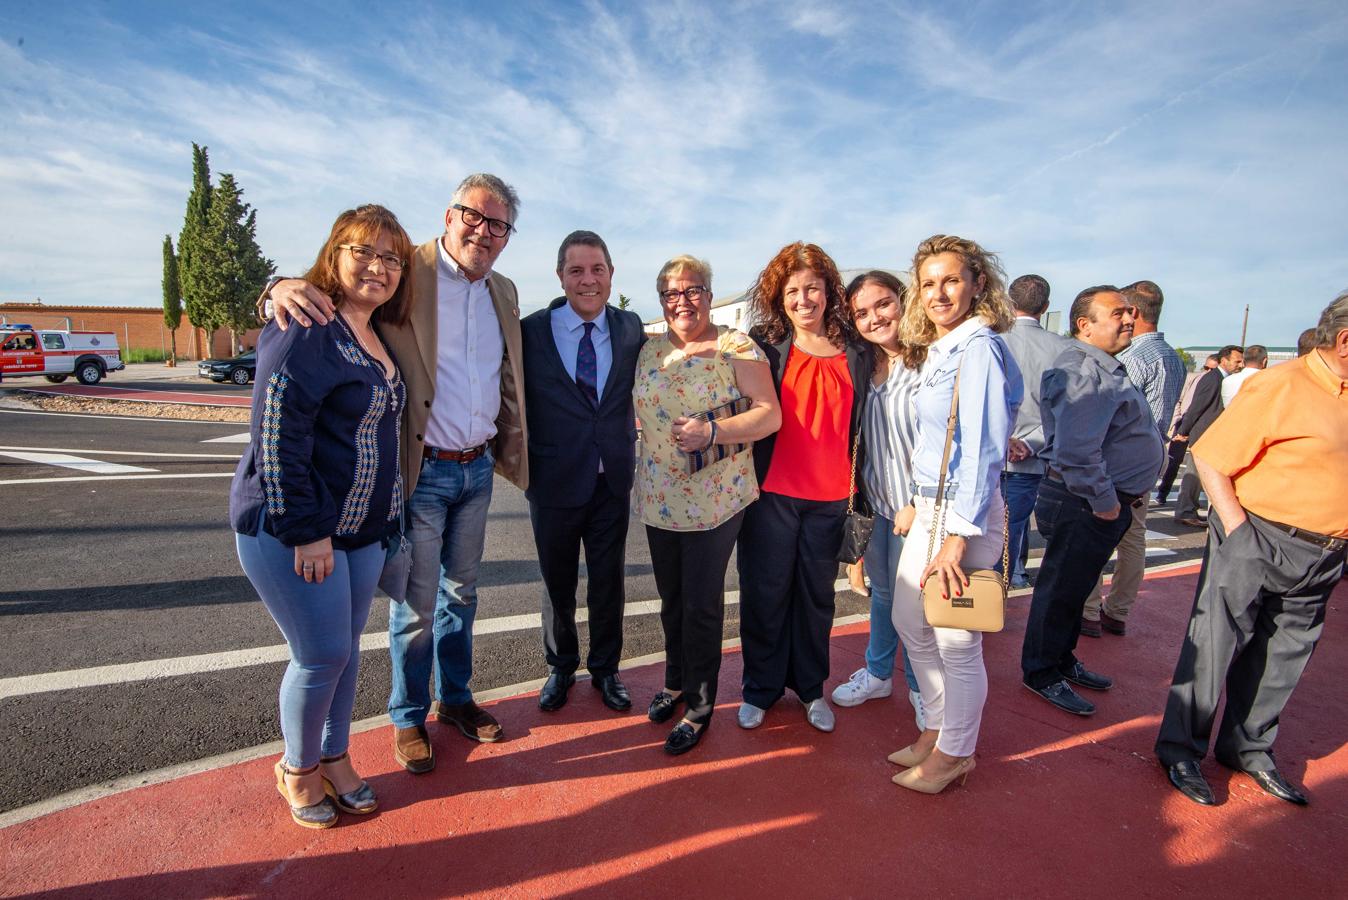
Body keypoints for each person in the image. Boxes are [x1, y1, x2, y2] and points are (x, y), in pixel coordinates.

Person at [265, 173, 528, 774]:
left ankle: (454, 699)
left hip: (477, 469)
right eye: (473, 216)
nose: (482, 233)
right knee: (412, 601)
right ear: (448, 214)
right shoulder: (404, 268)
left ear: (507, 238)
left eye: (498, 226)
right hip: (420, 470)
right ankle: (407, 715)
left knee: (461, 594)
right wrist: (275, 286)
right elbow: (335, 285)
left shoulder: (504, 291)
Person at [232, 204, 414, 828]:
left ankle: (336, 757)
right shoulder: (306, 323)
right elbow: (277, 434)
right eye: (364, 251)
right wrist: (309, 533)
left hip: (364, 533)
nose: (378, 267)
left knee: (344, 653)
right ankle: (298, 768)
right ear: (333, 254)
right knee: (320, 653)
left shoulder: (375, 333)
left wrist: (387, 525)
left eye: (392, 258)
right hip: (295, 532)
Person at [1155, 293, 1348, 807]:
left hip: (1325, 551)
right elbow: (1213, 458)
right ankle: (1181, 750)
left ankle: (1248, 748)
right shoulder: (1281, 385)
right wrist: (1241, 536)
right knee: (1213, 646)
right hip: (1260, 535)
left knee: (1285, 653)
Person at [887, 234, 1022, 795]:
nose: (939, 293)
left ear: (977, 284)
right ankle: (937, 727)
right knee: (909, 619)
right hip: (933, 506)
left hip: (964, 515)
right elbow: (940, 440)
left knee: (956, 640)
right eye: (928, 283)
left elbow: (987, 448)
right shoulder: (945, 348)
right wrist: (920, 501)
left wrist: (959, 537)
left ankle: (955, 753)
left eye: (951, 280)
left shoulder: (979, 348)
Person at [635, 255, 780, 754]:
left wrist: (713, 431)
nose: (682, 301)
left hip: (716, 498)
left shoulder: (735, 345)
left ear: (710, 294)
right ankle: (675, 682)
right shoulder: (649, 350)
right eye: (671, 293)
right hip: (658, 498)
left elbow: (769, 414)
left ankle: (698, 706)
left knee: (700, 604)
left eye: (693, 290)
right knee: (672, 601)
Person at [737, 242, 870, 734]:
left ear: (828, 291)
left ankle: (812, 688)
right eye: (792, 290)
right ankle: (760, 689)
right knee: (765, 593)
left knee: (817, 599)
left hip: (831, 499)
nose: (803, 299)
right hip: (771, 495)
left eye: (812, 287)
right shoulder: (763, 344)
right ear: (779, 297)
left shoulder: (856, 350)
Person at [1019, 287, 1164, 716]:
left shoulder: (1102, 367)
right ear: (1084, 324)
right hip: (1084, 501)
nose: (1128, 320)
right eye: (1117, 313)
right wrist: (1104, 502)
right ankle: (1041, 671)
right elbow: (1076, 452)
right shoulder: (1083, 371)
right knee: (1061, 589)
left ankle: (1060, 660)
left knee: (1076, 586)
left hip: (1097, 501)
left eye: (1130, 313)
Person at [522, 231, 645, 713]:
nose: (588, 280)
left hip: (611, 478)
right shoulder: (531, 331)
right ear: (561, 277)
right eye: (576, 271)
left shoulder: (631, 327)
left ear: (611, 275)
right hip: (552, 479)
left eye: (597, 270)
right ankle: (560, 667)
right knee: (556, 582)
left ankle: (606, 669)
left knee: (608, 579)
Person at [830, 271, 926, 730]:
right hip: (880, 506)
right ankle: (879, 672)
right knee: (885, 595)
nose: (875, 318)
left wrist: (918, 501)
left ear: (904, 303)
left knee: (918, 605)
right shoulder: (864, 366)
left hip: (920, 509)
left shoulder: (929, 363)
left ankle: (927, 690)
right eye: (862, 312)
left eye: (884, 304)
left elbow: (948, 439)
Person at [1081, 280, 1185, 638]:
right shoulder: (1171, 356)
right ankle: (1119, 610)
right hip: (1150, 459)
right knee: (1133, 538)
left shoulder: (1129, 358)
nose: (1123, 319)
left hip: (1116, 463)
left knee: (1095, 535)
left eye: (1124, 310)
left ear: (1135, 312)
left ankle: (1089, 609)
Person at [1000, 274, 1071, 591]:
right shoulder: (1063, 349)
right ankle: (1005, 582)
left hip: (987, 453)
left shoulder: (989, 339)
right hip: (1029, 458)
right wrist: (1030, 442)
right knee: (1013, 527)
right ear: (1045, 306)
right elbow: (1066, 409)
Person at [1174, 344, 1243, 527]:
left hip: (1209, 434)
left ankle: (1188, 509)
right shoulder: (1213, 379)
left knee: (1199, 475)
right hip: (1203, 434)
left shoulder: (1223, 379)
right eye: (1237, 361)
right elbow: (1197, 407)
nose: (1240, 365)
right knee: (1195, 476)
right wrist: (1183, 430)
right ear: (1224, 360)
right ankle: (1185, 511)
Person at [1156, 353, 1217, 505]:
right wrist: (1177, 418)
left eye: (1212, 369)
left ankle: (1190, 500)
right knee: (1173, 461)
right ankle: (1163, 492)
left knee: (1196, 464)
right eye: (1206, 367)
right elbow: (1179, 399)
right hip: (1183, 421)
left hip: (1200, 426)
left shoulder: (1217, 382)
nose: (1208, 371)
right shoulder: (1193, 379)